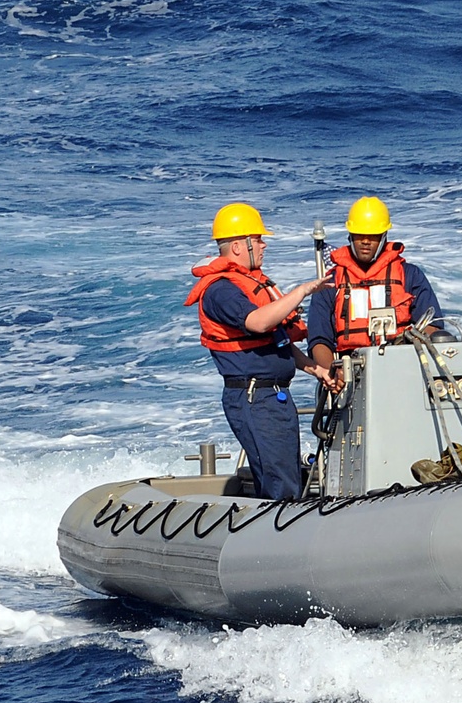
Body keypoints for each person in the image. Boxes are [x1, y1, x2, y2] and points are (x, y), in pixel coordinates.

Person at [185, 201, 334, 501]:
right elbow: (258, 322)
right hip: (255, 398)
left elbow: (276, 340)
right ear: (239, 246)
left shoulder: (250, 284)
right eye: (258, 239)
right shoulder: (222, 290)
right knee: (281, 484)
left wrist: (315, 369)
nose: (264, 245)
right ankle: (282, 539)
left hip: (271, 397)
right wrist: (302, 291)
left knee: (286, 475)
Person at [307, 196, 444, 377]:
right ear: (350, 235)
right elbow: (318, 340)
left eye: (372, 235)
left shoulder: (409, 275)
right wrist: (335, 373)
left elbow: (434, 326)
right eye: (359, 234)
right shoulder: (330, 282)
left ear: (384, 236)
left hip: (404, 369)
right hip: (350, 374)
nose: (365, 241)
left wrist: (409, 344)